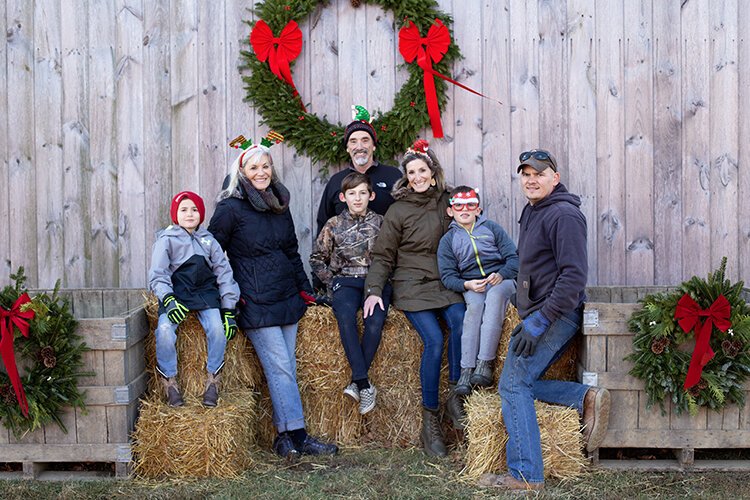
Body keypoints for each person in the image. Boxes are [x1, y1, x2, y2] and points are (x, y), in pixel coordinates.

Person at [479, 149, 610, 491]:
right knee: (517, 382)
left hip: (555, 314)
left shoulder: (564, 215)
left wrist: (540, 322)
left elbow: (573, 278)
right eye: (525, 174)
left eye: (539, 173)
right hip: (540, 312)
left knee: (512, 384)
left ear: (555, 176)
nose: (531, 179)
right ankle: (582, 397)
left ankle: (525, 475)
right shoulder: (534, 209)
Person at [208, 140, 338, 459]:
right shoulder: (230, 208)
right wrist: (228, 294)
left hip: (285, 296)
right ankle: (299, 435)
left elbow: (291, 250)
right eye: (254, 167)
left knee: (287, 367)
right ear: (242, 172)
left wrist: (305, 289)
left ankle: (285, 439)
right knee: (280, 367)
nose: (261, 172)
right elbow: (212, 253)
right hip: (254, 300)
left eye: (266, 166)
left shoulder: (280, 203)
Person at [363, 139, 465, 457]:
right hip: (411, 284)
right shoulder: (398, 210)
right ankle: (430, 419)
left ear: (433, 174)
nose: (418, 176)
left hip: (445, 282)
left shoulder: (449, 201)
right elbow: (382, 255)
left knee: (461, 322)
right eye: (411, 172)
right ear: (406, 178)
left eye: (423, 170)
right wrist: (373, 290)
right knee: (434, 340)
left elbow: (472, 228)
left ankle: (459, 395)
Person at [148, 191, 240, 408]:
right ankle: (169, 381)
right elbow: (158, 274)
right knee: (163, 331)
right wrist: (168, 299)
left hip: (205, 293)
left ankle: (213, 380)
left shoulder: (209, 241)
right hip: (177, 294)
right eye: (184, 209)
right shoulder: (166, 240)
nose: (190, 214)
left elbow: (224, 274)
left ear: (201, 214)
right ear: (175, 214)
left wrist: (228, 308)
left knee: (218, 329)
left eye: (195, 209)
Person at [310, 172, 391, 415]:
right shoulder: (333, 224)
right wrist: (331, 282)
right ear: (343, 197)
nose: (358, 198)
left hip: (375, 282)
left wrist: (383, 282)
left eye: (362, 193)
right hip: (345, 281)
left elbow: (389, 257)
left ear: (371, 195)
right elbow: (317, 259)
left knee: (374, 322)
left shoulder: (381, 222)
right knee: (345, 317)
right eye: (352, 194)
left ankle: (357, 382)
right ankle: (364, 384)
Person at [437, 186, 518, 396]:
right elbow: (448, 276)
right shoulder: (448, 240)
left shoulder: (491, 228)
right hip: (472, 283)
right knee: (473, 308)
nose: (465, 209)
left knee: (494, 296)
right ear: (450, 211)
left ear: (478, 209)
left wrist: (502, 273)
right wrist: (467, 285)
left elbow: (514, 258)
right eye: (459, 205)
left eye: (470, 205)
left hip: (501, 279)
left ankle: (485, 362)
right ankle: (466, 369)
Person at [315, 105, 401, 236]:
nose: (359, 147)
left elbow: (406, 216)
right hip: (345, 255)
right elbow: (323, 223)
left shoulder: (393, 176)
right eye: (353, 141)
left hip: (385, 253)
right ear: (348, 148)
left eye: (365, 140)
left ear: (373, 146)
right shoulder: (336, 181)